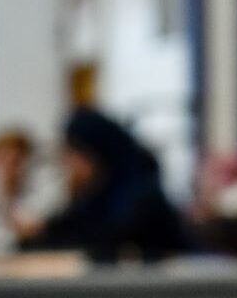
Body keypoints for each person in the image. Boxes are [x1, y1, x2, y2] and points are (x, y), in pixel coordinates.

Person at [21, 108, 190, 261]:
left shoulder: (140, 198)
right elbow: (66, 228)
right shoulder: (96, 196)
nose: (68, 164)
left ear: (96, 153)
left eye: (73, 154)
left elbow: (98, 244)